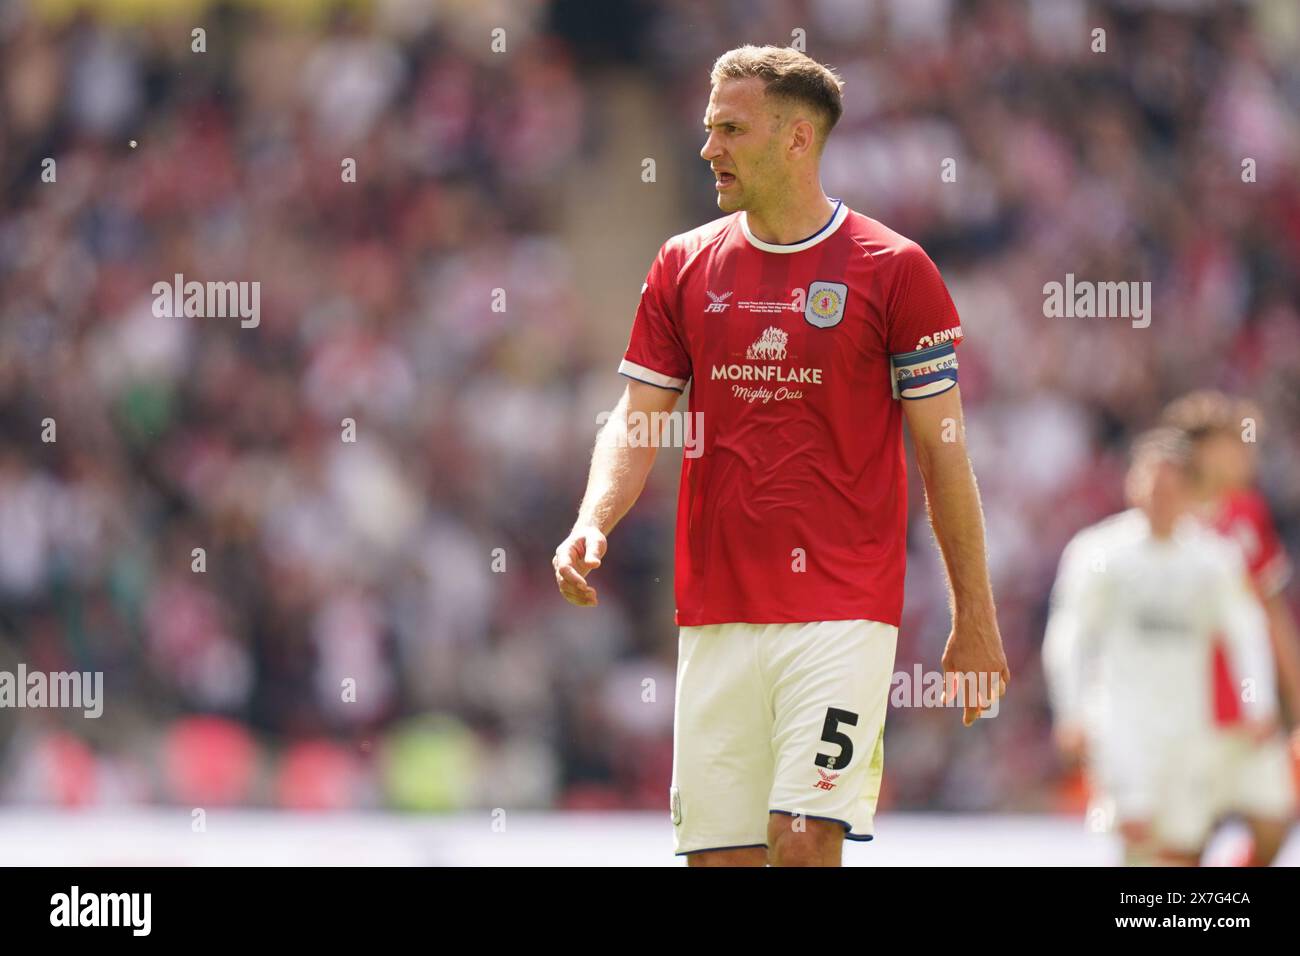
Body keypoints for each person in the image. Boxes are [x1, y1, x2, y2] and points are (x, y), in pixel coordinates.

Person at [552, 45, 1008, 866]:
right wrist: (592, 518)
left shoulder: (894, 270)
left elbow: (944, 457)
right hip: (716, 613)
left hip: (842, 612)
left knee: (802, 843)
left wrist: (974, 620)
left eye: (731, 129)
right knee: (720, 860)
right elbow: (638, 416)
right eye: (706, 128)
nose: (708, 149)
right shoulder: (683, 265)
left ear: (798, 140)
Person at [1043, 428, 1279, 865]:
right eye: (1152, 485)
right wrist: (1071, 711)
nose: (1161, 498)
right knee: (1136, 829)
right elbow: (1069, 634)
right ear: (1133, 484)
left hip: (1191, 723)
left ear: (1188, 490)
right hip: (1122, 722)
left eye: (1171, 488)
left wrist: (1257, 702)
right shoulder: (1099, 552)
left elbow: (1245, 631)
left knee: (1181, 844)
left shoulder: (1213, 558)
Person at [1161, 391, 1299, 864]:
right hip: (1182, 707)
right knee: (1185, 841)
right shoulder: (1165, 516)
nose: (1249, 455)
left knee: (1274, 822)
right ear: (1203, 452)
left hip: (1247, 707)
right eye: (1238, 444)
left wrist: (1296, 703)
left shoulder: (1248, 514)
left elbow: (1273, 615)